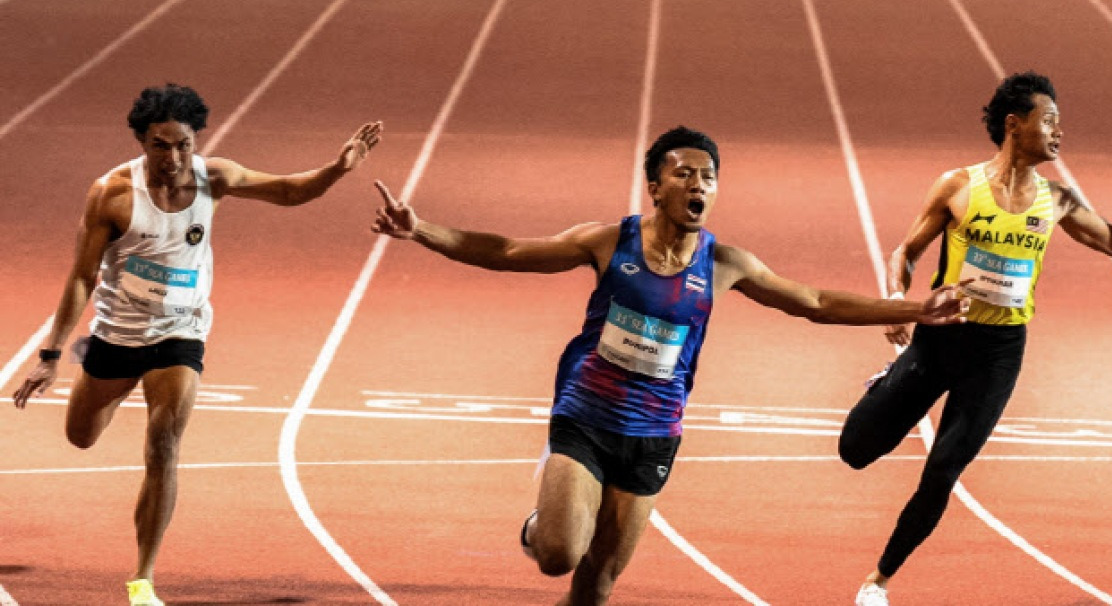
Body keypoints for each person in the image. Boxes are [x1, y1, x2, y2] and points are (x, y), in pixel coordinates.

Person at [369, 126, 973, 606]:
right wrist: (423, 231)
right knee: (558, 554)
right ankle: (540, 522)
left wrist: (917, 307)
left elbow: (813, 303)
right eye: (684, 173)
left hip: (654, 434)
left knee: (597, 588)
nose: (699, 184)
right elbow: (505, 252)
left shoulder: (726, 263)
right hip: (585, 416)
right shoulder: (609, 242)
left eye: (709, 176)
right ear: (654, 187)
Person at [11, 83, 382, 606]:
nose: (174, 157)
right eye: (161, 145)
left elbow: (290, 191)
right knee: (80, 437)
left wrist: (340, 166)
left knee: (163, 444)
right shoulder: (112, 193)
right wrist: (51, 355)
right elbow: (81, 277)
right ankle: (89, 366)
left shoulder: (215, 177)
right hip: (118, 330)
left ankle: (143, 582)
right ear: (142, 142)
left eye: (183, 144)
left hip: (180, 330)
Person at [839, 71, 1112, 606]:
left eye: (1060, 123)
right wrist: (896, 300)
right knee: (856, 450)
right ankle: (886, 382)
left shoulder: (1057, 201)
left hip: (999, 353)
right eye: (1049, 120)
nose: (1059, 132)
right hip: (940, 340)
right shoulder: (959, 186)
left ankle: (878, 580)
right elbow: (905, 253)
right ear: (1014, 124)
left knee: (943, 470)